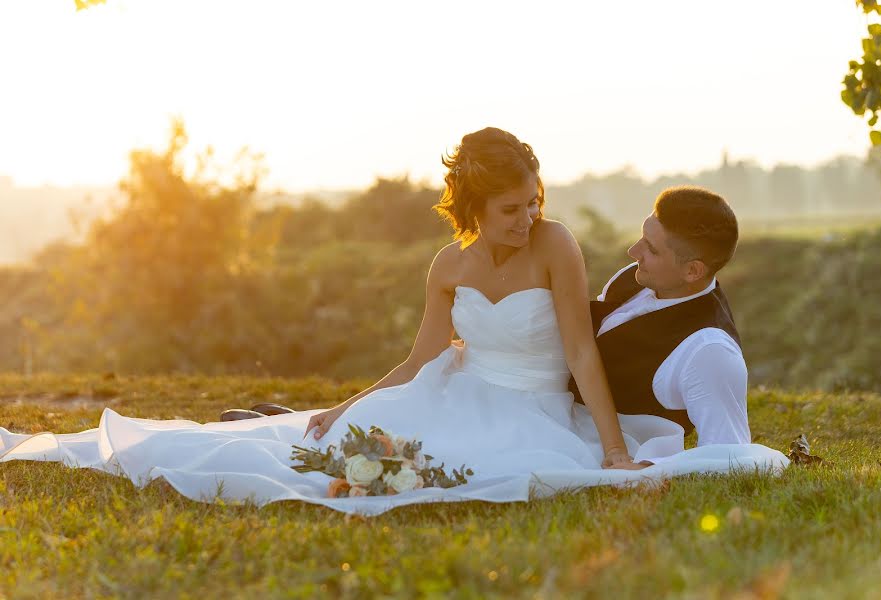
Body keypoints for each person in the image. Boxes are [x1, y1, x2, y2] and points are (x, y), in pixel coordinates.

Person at [0, 128, 787, 516]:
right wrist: (343, 405)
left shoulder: (558, 245)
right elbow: (418, 358)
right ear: (476, 208)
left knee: (468, 467)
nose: (530, 216)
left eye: (535, 201)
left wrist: (613, 449)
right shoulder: (447, 267)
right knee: (326, 443)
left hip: (534, 405)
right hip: (454, 382)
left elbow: (581, 352)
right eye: (512, 209)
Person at [570, 186, 752, 447]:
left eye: (652, 249)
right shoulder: (635, 277)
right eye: (642, 237)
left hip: (599, 444)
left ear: (692, 271)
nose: (633, 251)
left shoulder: (710, 352)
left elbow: (728, 451)